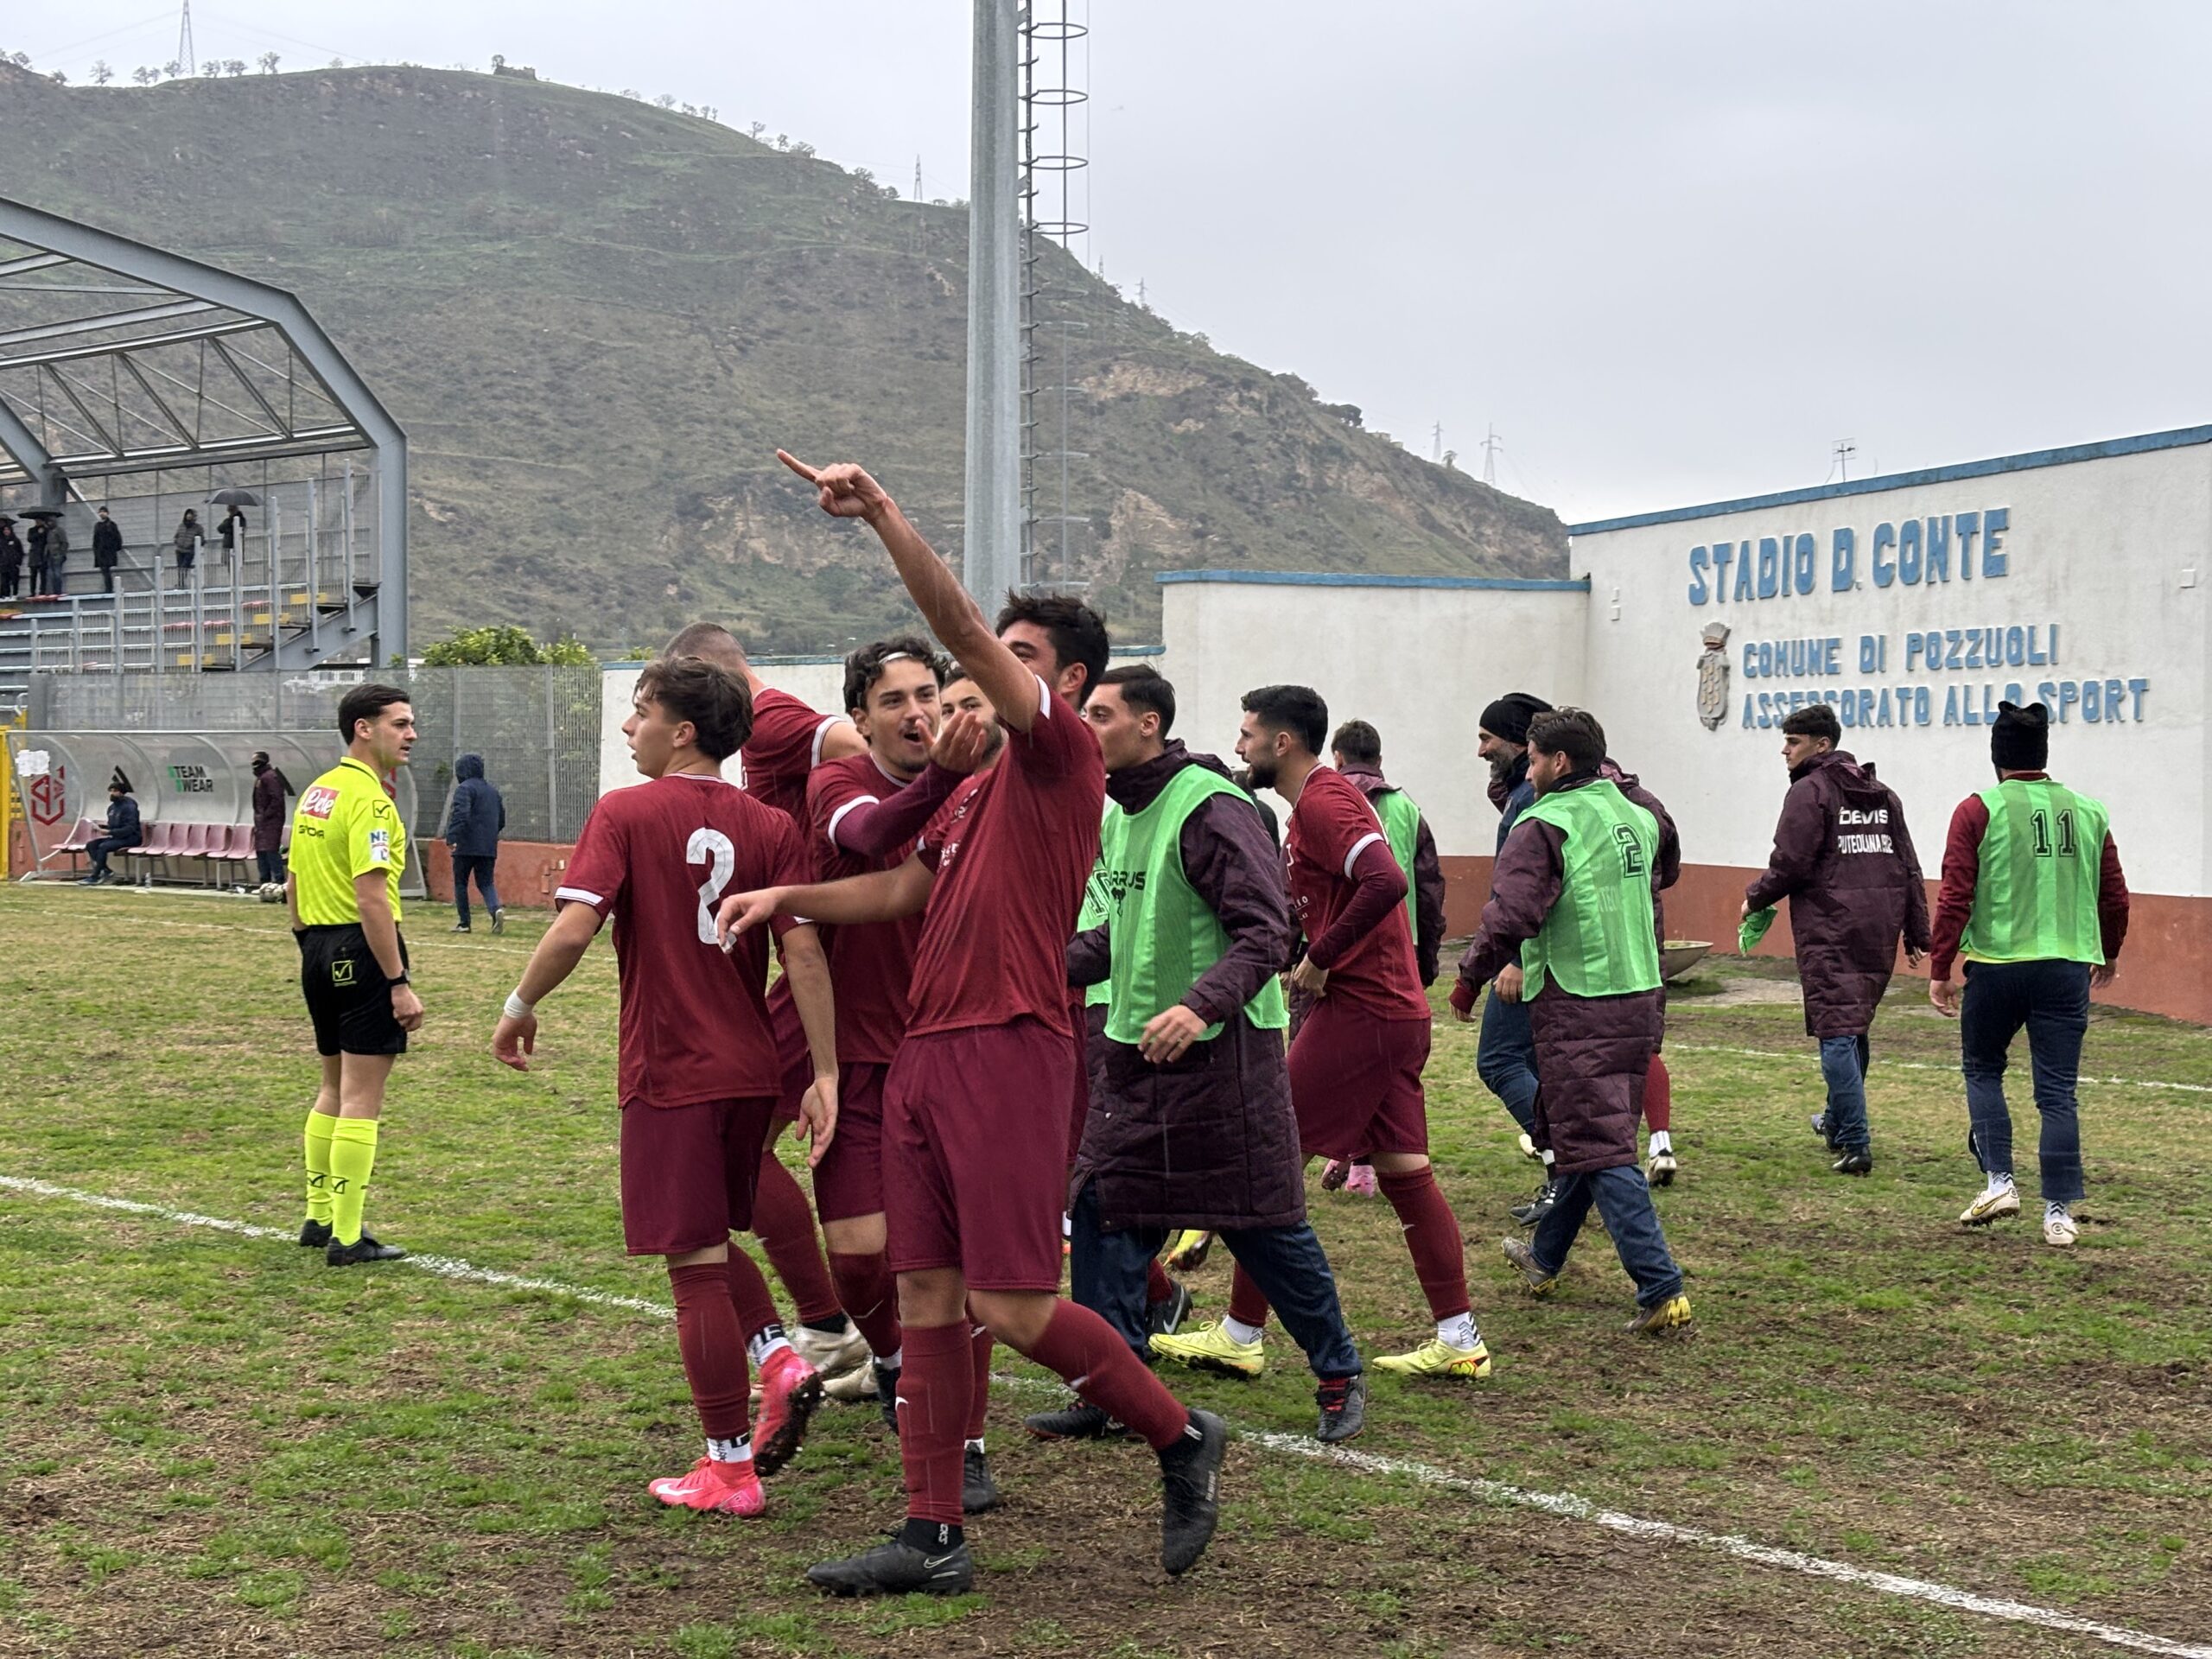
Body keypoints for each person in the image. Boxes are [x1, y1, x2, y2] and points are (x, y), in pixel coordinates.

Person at [716, 451, 1227, 1598]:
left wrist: (884, 516)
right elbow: (900, 891)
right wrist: (789, 896)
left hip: (1010, 1046)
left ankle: (1180, 1435)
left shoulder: (1060, 758)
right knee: (927, 1299)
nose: (970, 682)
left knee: (1012, 1303)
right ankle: (932, 1532)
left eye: (1014, 659)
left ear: (1063, 680)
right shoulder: (968, 794)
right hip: (929, 1058)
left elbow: (952, 618)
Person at [494, 655, 839, 1515]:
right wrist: (823, 1070)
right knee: (713, 1244)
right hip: (749, 1068)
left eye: (640, 712)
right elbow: (802, 952)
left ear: (682, 730)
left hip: (672, 1069)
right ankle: (777, 1355)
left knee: (690, 1269)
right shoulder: (767, 825)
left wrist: (519, 1001)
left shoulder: (626, 811)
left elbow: (576, 927)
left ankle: (728, 1468)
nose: (627, 727)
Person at [1047, 665, 1368, 1445]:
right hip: (1133, 1053)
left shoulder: (1211, 807)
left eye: (1100, 714)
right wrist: (1017, 966)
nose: (1087, 729)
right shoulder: (1118, 811)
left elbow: (1268, 932)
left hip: (1224, 1056)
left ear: (1149, 724)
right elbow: (1110, 937)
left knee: (1262, 1222)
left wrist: (1197, 1007)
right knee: (1102, 1211)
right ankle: (1111, 1387)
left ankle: (1338, 1372)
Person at [1211, 682, 1488, 1382]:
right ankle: (1460, 1337)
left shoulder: (1324, 800)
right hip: (1392, 1014)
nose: (1239, 745)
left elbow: (1386, 880)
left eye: (1247, 734)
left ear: (1282, 742)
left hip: (1365, 1012)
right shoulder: (1315, 804)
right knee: (1407, 1176)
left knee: (1271, 1163)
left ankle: (1241, 1332)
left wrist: (1322, 957)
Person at [797, 637, 992, 1497]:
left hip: (958, 1051)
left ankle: (968, 1446)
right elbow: (876, 834)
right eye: (895, 701)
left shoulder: (984, 784)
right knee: (859, 1258)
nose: (918, 713)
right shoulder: (840, 787)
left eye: (930, 696)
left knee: (958, 1270)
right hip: (865, 1059)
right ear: (860, 720)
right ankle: (890, 1359)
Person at [663, 619, 874, 1395]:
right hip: (821, 959)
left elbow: (856, 742)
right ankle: (851, 1332)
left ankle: (825, 1325)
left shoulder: (778, 722)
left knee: (742, 1149)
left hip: (833, 965)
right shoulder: (762, 734)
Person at [1452, 709, 1692, 1335]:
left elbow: (1511, 914)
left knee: (1603, 1147)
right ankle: (1545, 1257)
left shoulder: (1543, 824)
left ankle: (1660, 1284)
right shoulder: (1639, 811)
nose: (1526, 772)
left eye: (1531, 760)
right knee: (1587, 1131)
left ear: (1558, 763)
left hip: (1580, 995)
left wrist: (1471, 975)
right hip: (1641, 989)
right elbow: (1667, 871)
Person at [1928, 701, 2129, 1248]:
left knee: (1983, 1070)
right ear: (2044, 754)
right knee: (2058, 1093)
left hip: (1996, 968)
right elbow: (2113, 893)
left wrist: (1941, 966)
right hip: (2065, 969)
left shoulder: (1977, 809)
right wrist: (2108, 951)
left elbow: (1955, 893)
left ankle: (1999, 1181)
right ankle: (2059, 1213)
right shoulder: (2088, 810)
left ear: (1996, 758)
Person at [1743, 702, 1931, 1176]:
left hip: (1831, 928)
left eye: (1793, 742)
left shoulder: (1812, 792)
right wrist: (1915, 928)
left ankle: (1855, 1140)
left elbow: (1790, 863)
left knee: (1836, 1031)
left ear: (1821, 745)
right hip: (1878, 926)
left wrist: (1755, 899)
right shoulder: (1883, 794)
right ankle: (1834, 1121)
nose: (1784, 750)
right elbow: (1907, 865)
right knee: (1854, 1026)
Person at [287, 683, 423, 1268]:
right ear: (363, 729)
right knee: (362, 1098)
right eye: (400, 723)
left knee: (333, 1087)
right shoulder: (370, 801)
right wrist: (397, 980)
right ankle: (348, 1235)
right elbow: (371, 897)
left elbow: (293, 880)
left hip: (315, 945)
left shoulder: (318, 791)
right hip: (359, 948)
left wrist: (306, 943)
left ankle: (319, 1216)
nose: (411, 733)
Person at [1317, 717, 1446, 1198]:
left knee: (1334, 1060)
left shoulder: (1322, 802)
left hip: (1339, 952)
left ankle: (1348, 1155)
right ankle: (1360, 1161)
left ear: (1338, 758)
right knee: (1386, 1062)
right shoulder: (1406, 808)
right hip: (1401, 946)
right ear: (1380, 760)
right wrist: (1427, 956)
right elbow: (1428, 884)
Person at [1471, 694, 1557, 1213]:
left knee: (1500, 1060)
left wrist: (1516, 958)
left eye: (1487, 738)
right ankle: (1567, 1171)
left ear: (1520, 741)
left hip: (1530, 956)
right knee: (1535, 1063)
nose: (1480, 750)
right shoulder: (1531, 793)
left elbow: (1527, 889)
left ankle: (1563, 1162)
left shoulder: (1530, 798)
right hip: (1550, 956)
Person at [443, 753, 507, 934]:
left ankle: (464, 923)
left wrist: (452, 836)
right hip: (488, 845)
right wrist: (489, 835)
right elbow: (501, 820)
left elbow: (461, 814)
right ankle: (495, 910)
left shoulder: (464, 789)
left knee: (461, 882)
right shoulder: (493, 792)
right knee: (486, 882)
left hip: (466, 844)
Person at [79, 775, 143, 885]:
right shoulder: (112, 808)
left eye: (115, 791)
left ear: (122, 793)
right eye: (111, 791)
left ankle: (95, 876)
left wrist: (110, 832)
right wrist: (103, 829)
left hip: (131, 838)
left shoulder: (129, 807)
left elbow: (130, 828)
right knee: (91, 845)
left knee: (103, 847)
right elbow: (113, 826)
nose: (112, 793)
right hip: (117, 837)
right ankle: (106, 871)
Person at [251, 751, 291, 887]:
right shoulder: (262, 777)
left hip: (271, 821)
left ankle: (278, 881)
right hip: (262, 822)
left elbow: (277, 799)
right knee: (262, 851)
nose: (254, 765)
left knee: (271, 850)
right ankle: (265, 881)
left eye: (257, 762)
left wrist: (266, 815)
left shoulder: (270, 777)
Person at [92, 508, 123, 594]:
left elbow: (117, 537)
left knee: (106, 570)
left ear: (107, 513)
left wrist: (115, 548)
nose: (102, 514)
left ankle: (109, 588)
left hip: (108, 551)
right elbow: (95, 539)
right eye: (100, 512)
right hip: (101, 551)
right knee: (105, 570)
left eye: (103, 512)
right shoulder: (98, 525)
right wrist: (96, 550)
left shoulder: (111, 525)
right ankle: (108, 588)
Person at [172, 510, 203, 588]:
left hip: (189, 551)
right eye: (188, 514)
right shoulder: (181, 526)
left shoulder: (198, 528)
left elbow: (202, 539)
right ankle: (181, 583)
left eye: (191, 515)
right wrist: (177, 541)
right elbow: (176, 536)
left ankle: (181, 582)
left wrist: (193, 544)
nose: (189, 516)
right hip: (179, 550)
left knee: (184, 566)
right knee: (180, 567)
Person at [42, 514, 69, 596]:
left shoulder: (59, 530)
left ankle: (58, 591)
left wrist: (62, 553)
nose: (49, 523)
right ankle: (52, 591)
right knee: (50, 574)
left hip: (57, 554)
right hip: (49, 554)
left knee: (57, 574)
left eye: (51, 522)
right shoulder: (48, 531)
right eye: (48, 522)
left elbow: (64, 543)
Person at [25, 516, 49, 597]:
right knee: (33, 575)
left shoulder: (46, 530)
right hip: (34, 554)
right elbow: (29, 539)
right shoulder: (32, 530)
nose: (37, 522)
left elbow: (48, 540)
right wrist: (38, 533)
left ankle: (42, 591)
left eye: (39, 521)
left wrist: (44, 531)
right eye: (36, 520)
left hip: (43, 553)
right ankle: (32, 592)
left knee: (43, 574)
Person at [0, 516, 22, 600]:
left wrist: (18, 562)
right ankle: (6, 595)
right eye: (5, 530)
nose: (6, 531)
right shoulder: (2, 541)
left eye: (8, 530)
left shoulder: (16, 540)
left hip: (13, 563)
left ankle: (15, 594)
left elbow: (20, 552)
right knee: (5, 580)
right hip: (4, 563)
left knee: (14, 579)